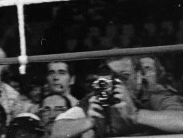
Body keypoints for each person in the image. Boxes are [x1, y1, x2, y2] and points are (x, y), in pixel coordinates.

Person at [51, 55, 183, 138]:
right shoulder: (99, 95)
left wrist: (135, 114)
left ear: (138, 77)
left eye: (123, 76)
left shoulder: (153, 92)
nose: (116, 83)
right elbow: (57, 131)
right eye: (112, 78)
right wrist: (90, 121)